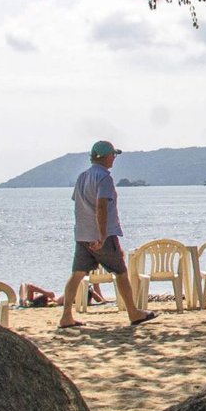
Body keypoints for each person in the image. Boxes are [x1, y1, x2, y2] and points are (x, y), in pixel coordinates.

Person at [59, 140, 159, 328]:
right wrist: (103, 235)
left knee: (77, 274)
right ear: (105, 156)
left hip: (82, 234)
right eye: (113, 154)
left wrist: (84, 230)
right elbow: (102, 206)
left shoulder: (82, 177)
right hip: (101, 235)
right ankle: (133, 312)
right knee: (120, 272)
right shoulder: (104, 178)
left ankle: (66, 316)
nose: (114, 158)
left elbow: (79, 203)